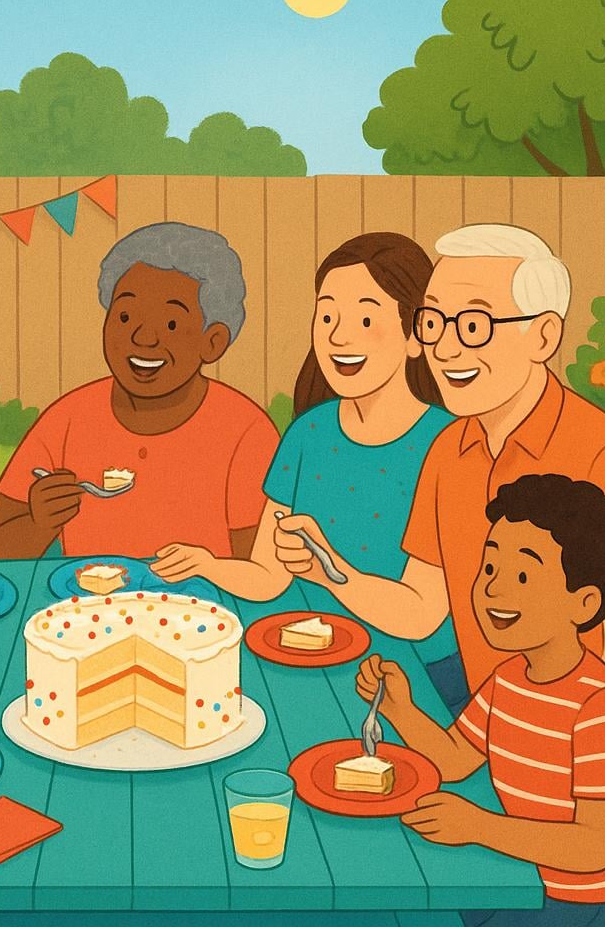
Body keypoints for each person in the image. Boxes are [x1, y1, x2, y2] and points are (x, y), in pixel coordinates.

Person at [274, 223, 605, 806]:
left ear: (543, 335)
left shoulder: (601, 452)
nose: (446, 349)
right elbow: (423, 609)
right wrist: (334, 572)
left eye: (474, 326)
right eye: (433, 324)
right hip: (490, 717)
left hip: (604, 732)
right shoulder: (449, 452)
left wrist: (522, 736)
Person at [151, 233, 466, 715]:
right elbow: (269, 576)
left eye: (365, 318)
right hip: (322, 657)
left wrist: (333, 574)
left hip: (421, 678)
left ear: (415, 333)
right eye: (327, 315)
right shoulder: (307, 435)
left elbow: (422, 615)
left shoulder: (449, 445)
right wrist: (207, 564)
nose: (339, 336)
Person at [357, 474, 605, 927]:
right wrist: (398, 709)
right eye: (490, 568)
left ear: (584, 604)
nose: (493, 588)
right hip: (515, 870)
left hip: (577, 903)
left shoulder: (601, 706)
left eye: (523, 575)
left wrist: (477, 826)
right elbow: (453, 760)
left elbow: (594, 847)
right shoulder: (508, 679)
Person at [0, 222, 279, 560]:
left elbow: (261, 569)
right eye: (125, 316)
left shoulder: (245, 432)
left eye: (170, 324)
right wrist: (39, 522)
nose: (143, 338)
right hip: (90, 607)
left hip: (203, 609)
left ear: (212, 343)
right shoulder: (68, 418)